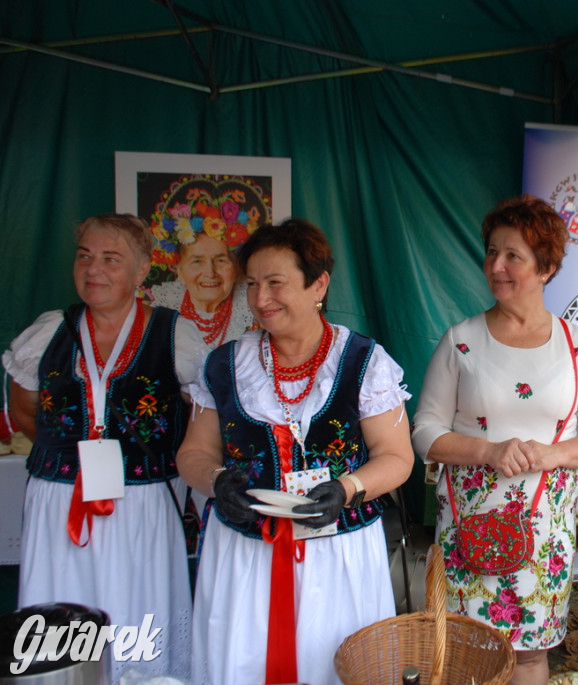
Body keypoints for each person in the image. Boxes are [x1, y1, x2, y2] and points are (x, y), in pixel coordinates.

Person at [177, 218, 415, 685]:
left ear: (318, 284)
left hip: (338, 555)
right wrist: (216, 480)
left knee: (334, 665)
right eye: (252, 285)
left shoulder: (363, 362)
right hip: (245, 556)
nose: (261, 299)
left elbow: (397, 457)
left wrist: (347, 489)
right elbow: (194, 452)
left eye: (275, 283)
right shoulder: (225, 365)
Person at [412, 195, 578, 685]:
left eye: (512, 256)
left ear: (545, 268)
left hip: (544, 530)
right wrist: (489, 451)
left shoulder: (577, 343)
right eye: (491, 253)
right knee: (466, 649)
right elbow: (424, 432)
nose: (496, 266)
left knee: (529, 652)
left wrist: (553, 454)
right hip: (470, 525)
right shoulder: (460, 339)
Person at [2, 213, 208, 681]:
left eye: (110, 259)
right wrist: (73, 457)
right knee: (60, 617)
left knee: (138, 613)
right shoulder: (50, 330)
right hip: (60, 502)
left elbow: (201, 423)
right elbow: (25, 413)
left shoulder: (175, 335)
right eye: (85, 256)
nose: (93, 269)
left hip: (143, 504)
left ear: (141, 272)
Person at [147, 177, 259, 345]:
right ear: (180, 272)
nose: (210, 273)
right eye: (197, 261)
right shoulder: (160, 312)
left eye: (221, 260)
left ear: (236, 269)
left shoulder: (253, 314)